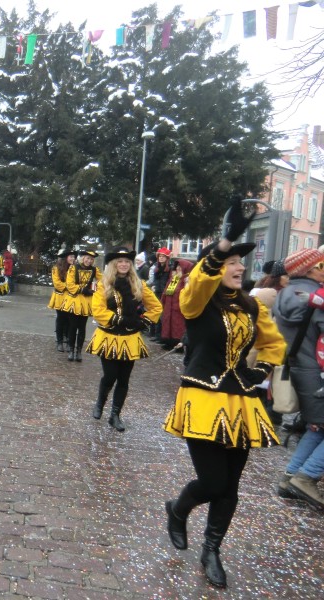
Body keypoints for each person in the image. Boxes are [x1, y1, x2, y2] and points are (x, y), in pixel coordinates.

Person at [163, 200, 286, 589]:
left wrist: (260, 371)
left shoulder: (251, 306)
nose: (239, 267)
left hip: (241, 403)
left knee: (230, 486)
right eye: (231, 262)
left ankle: (212, 549)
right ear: (215, 266)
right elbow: (199, 280)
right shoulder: (196, 302)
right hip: (202, 400)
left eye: (240, 262)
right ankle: (178, 509)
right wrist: (225, 241)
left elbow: (273, 345)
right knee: (213, 482)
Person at [86, 247, 162, 431]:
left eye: (127, 261)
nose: (123, 264)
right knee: (110, 376)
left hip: (130, 338)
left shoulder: (139, 284)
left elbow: (156, 307)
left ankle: (115, 415)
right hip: (109, 337)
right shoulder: (104, 284)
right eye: (120, 261)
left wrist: (143, 322)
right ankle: (100, 403)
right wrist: (119, 320)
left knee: (124, 379)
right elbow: (98, 310)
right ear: (114, 264)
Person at [271, 248, 324, 509]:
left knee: (319, 426)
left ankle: (290, 476)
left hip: (298, 369)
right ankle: (307, 477)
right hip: (318, 372)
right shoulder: (317, 298)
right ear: (311, 269)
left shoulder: (286, 294)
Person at [64, 250, 101, 362]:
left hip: (86, 302)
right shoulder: (73, 268)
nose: (89, 261)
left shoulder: (94, 270)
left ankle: (79, 351)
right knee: (73, 326)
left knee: (82, 327)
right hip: (74, 300)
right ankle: (71, 350)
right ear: (83, 258)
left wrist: (94, 289)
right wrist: (82, 289)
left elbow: (103, 281)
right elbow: (69, 284)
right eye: (87, 258)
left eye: (91, 259)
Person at [160, 259, 194, 351]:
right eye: (177, 266)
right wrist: (162, 302)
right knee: (168, 325)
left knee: (178, 327)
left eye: (180, 267)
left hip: (179, 309)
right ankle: (168, 342)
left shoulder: (187, 280)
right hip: (169, 307)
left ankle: (178, 344)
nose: (178, 268)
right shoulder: (174, 279)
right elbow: (166, 291)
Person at [49, 249, 75, 352]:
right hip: (60, 297)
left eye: (74, 257)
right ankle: (59, 341)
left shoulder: (75, 268)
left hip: (71, 298)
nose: (73, 259)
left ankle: (68, 340)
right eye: (71, 256)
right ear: (65, 258)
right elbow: (57, 283)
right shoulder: (56, 268)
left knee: (69, 320)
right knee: (60, 318)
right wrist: (70, 286)